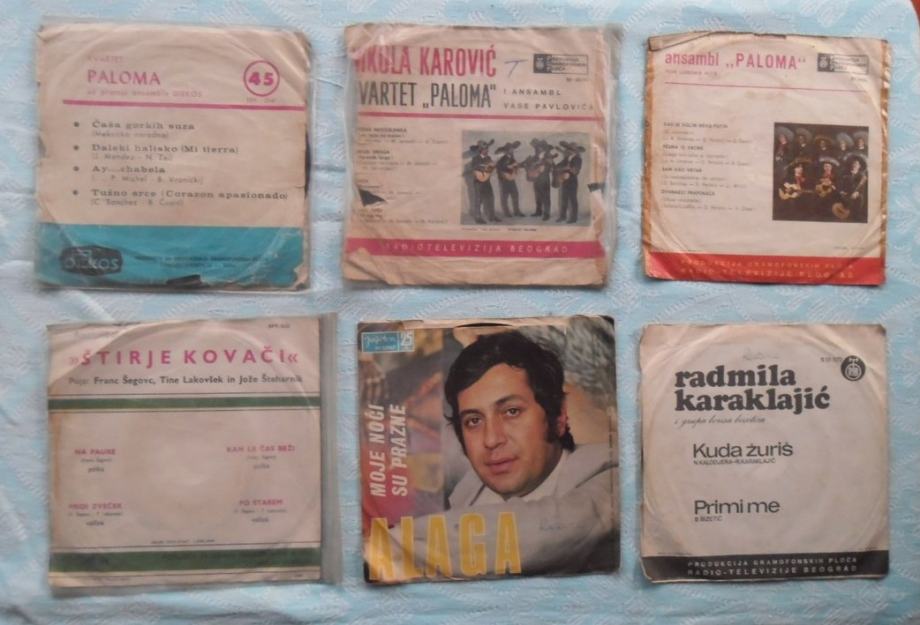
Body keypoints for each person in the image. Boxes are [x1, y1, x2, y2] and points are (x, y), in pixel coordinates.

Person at [469, 139, 498, 224]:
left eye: (487, 149)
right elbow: (474, 167)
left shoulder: (489, 158)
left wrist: (493, 167)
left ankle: (492, 216)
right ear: (481, 150)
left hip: (487, 181)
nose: (487, 150)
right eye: (485, 149)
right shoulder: (475, 158)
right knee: (478, 200)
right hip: (478, 182)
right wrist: (484, 166)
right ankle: (478, 217)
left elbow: (491, 169)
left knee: (491, 198)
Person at [555, 141, 584, 224]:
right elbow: (560, 167)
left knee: (573, 200)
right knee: (564, 199)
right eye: (569, 149)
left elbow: (575, 171)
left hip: (572, 181)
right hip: (565, 181)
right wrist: (562, 169)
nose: (569, 151)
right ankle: (563, 217)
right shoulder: (569, 158)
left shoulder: (578, 159)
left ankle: (574, 218)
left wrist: (567, 168)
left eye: (571, 149)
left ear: (575, 150)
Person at [495, 141, 524, 218]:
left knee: (515, 195)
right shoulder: (503, 158)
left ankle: (516, 211)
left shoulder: (512, 158)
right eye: (511, 149)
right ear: (507, 150)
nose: (512, 150)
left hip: (511, 179)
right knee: (505, 197)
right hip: (504, 180)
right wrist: (509, 167)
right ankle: (506, 212)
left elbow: (516, 166)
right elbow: (499, 168)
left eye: (512, 149)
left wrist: (520, 165)